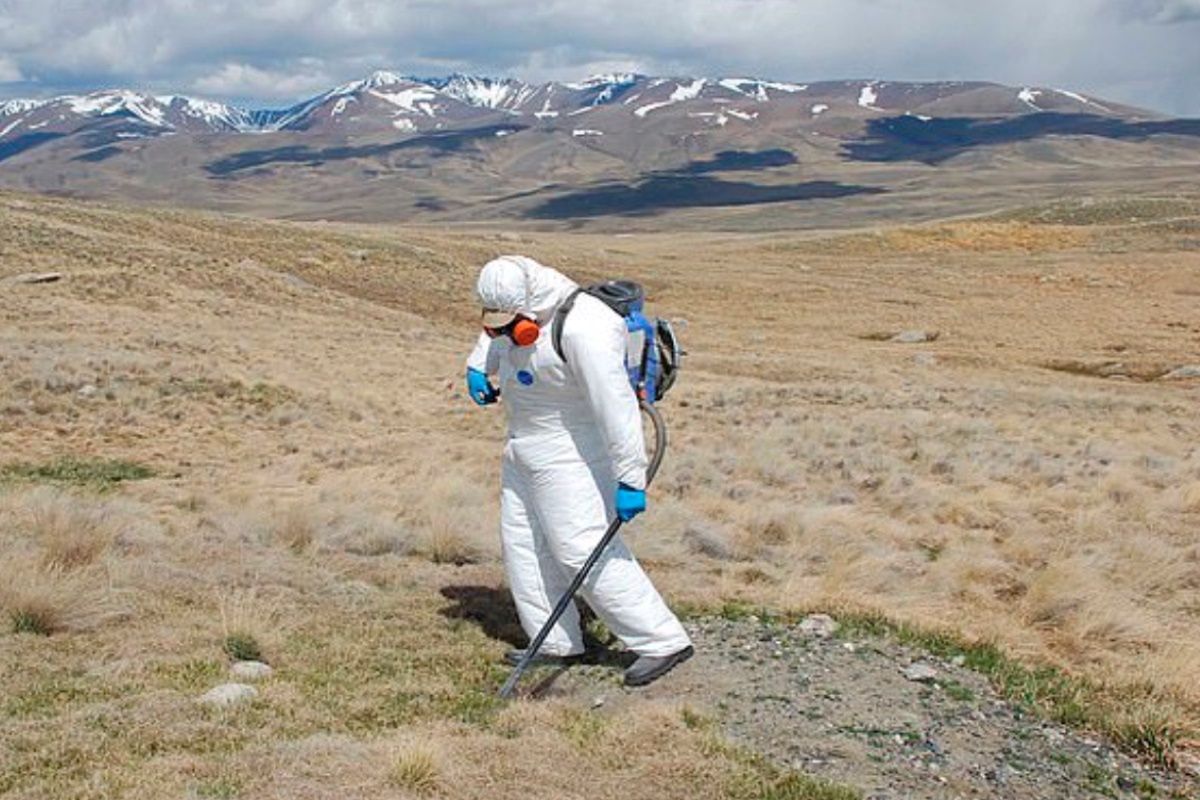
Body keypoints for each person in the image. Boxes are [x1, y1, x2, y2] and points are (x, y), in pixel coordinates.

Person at [465, 255, 694, 687]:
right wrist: (477, 367)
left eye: (510, 322)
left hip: (572, 453)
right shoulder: (513, 319)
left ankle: (661, 639)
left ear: (531, 303)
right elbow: (495, 337)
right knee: (524, 543)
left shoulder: (584, 325)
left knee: (580, 548)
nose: (502, 331)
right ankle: (554, 640)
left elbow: (617, 408)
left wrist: (631, 478)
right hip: (522, 446)